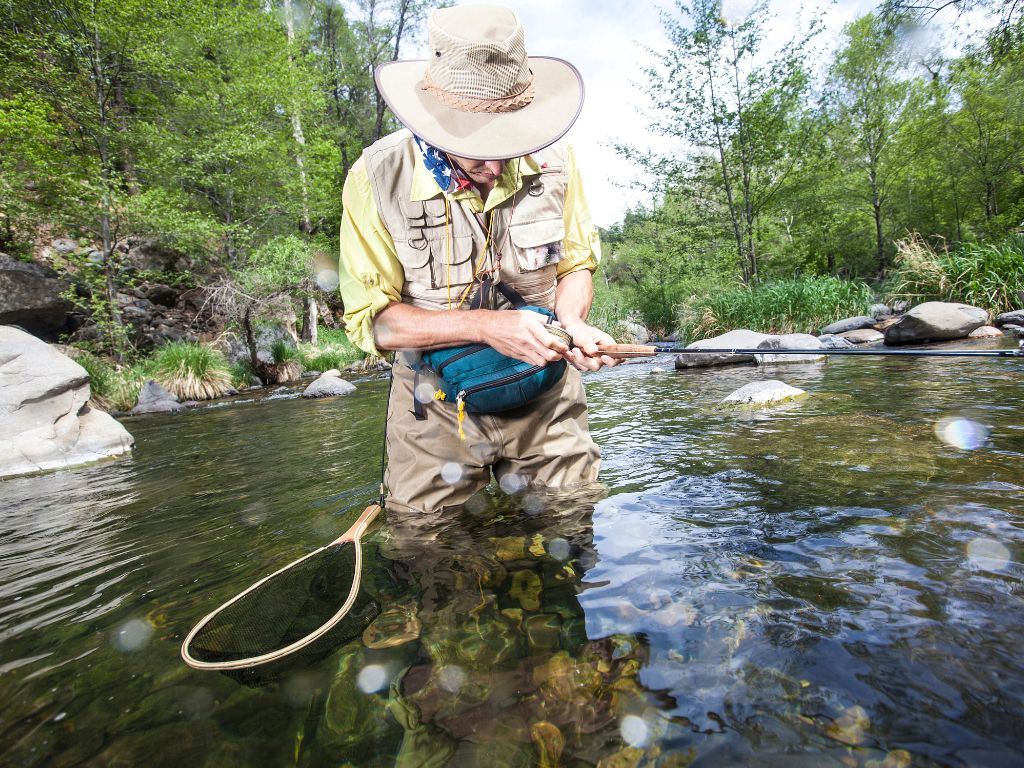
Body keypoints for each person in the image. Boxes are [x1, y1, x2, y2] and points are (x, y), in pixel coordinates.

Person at [338, 4, 618, 514]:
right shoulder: (375, 176)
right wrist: (488, 326)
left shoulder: (560, 161)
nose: (495, 166)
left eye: (509, 146)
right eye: (477, 152)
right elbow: (376, 325)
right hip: (435, 402)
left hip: (546, 396)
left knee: (571, 523)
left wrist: (572, 323)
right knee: (428, 545)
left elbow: (576, 263)